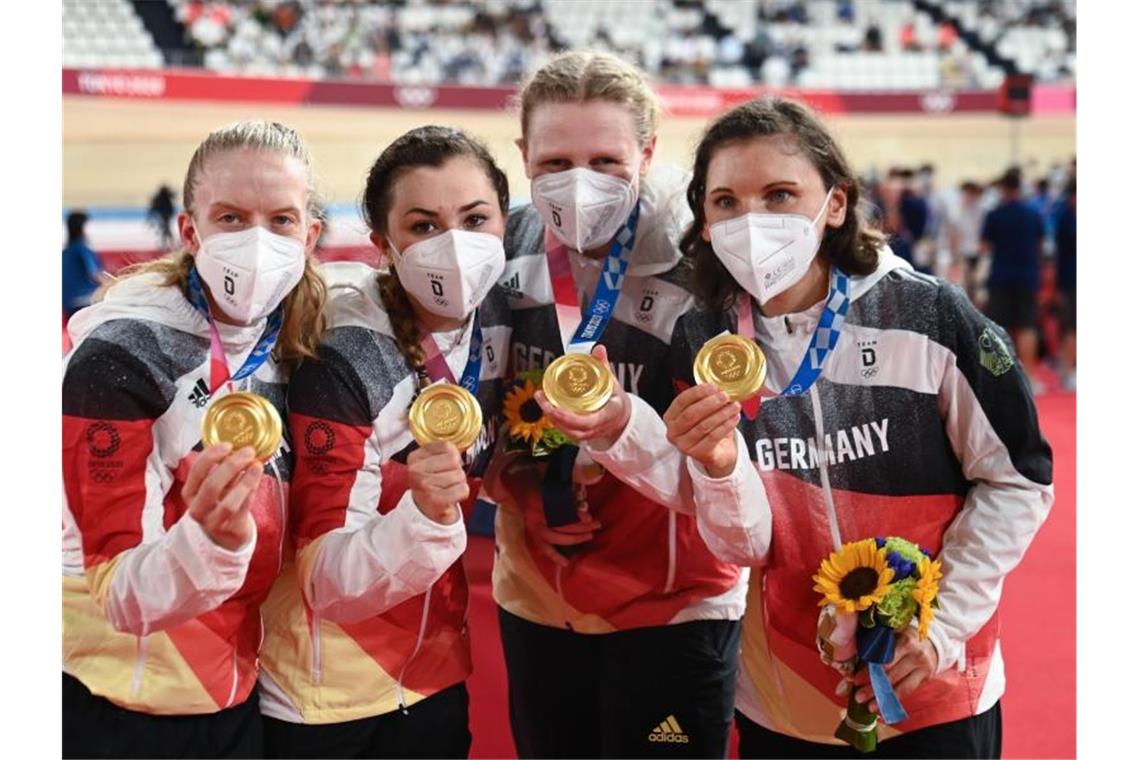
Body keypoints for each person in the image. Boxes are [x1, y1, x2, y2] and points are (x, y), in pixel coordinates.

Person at [567, 97, 1054, 758]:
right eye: (727, 203)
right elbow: (746, 542)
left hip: (935, 686)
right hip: (784, 695)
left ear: (835, 203)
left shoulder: (929, 315)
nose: (752, 222)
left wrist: (940, 627)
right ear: (704, 222)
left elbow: (1018, 480)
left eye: (779, 195)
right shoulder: (705, 336)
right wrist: (713, 464)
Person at [484, 50, 747, 758]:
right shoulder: (504, 247)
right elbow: (486, 408)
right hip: (539, 600)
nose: (579, 184)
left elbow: (732, 471)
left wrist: (625, 429)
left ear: (648, 152)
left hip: (675, 608)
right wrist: (521, 487)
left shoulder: (705, 269)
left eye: (605, 161)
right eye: (554, 162)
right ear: (522, 156)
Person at [62, 120, 328, 758]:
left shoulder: (299, 347)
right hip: (116, 699)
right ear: (190, 230)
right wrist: (209, 539)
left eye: (282, 220)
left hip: (237, 694)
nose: (257, 242)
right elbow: (118, 591)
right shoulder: (118, 356)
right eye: (231, 218)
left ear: (311, 235)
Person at [257, 126, 513, 758]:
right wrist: (424, 515)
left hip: (433, 677)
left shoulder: (506, 320)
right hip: (324, 699)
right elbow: (325, 581)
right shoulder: (346, 354)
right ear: (383, 244)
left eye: (475, 218)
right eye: (424, 226)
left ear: (508, 223)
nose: (456, 245)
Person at [980, 166, 1045, 385]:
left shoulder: (995, 215)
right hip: (1027, 276)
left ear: (1003, 189)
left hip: (1001, 277)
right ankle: (1031, 378)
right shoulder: (1033, 213)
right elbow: (1039, 243)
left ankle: (1001, 381)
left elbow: (985, 247)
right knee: (1028, 327)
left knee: (998, 329)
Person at [62, 210, 109, 318]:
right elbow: (96, 275)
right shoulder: (82, 250)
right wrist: (118, 285)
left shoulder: (65, 253)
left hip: (68, 303)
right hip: (84, 301)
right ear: (83, 228)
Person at [1053, 178, 1076, 391]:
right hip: (1071, 280)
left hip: (1069, 278)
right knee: (1071, 328)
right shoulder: (1065, 217)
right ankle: (1068, 371)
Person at [148, 184, 177, 250]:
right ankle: (168, 242)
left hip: (165, 215)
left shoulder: (160, 197)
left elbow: (153, 206)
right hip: (165, 214)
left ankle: (167, 242)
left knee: (165, 228)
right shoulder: (165, 196)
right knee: (166, 228)